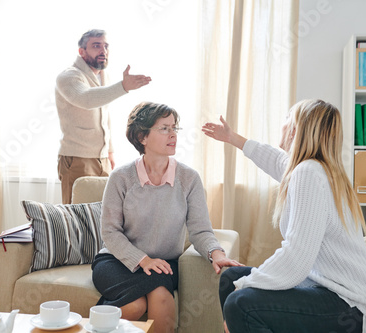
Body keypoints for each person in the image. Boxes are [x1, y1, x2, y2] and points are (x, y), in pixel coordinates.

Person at [202, 99, 366, 333]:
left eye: (288, 117)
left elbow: (296, 259)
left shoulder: (309, 173)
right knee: (231, 278)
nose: (283, 123)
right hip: (325, 288)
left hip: (352, 307)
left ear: (296, 129)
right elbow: (272, 159)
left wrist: (247, 284)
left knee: (240, 303)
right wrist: (232, 137)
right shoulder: (311, 168)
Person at [91, 102, 243, 333]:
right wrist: (143, 260)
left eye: (175, 128)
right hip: (118, 261)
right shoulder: (120, 178)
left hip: (165, 264)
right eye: (164, 128)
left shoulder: (189, 178)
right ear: (142, 137)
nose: (173, 134)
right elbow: (110, 232)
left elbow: (200, 230)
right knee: (134, 306)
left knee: (159, 294)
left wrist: (217, 253)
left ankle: (97, 320)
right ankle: (88, 325)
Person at [56, 29, 151, 204]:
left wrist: (110, 150)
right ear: (81, 51)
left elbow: (104, 116)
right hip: (77, 158)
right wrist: (123, 86)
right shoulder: (68, 76)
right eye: (96, 46)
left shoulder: (102, 76)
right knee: (75, 218)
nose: (103, 51)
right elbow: (86, 99)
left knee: (103, 215)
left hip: (103, 159)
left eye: (106, 46)